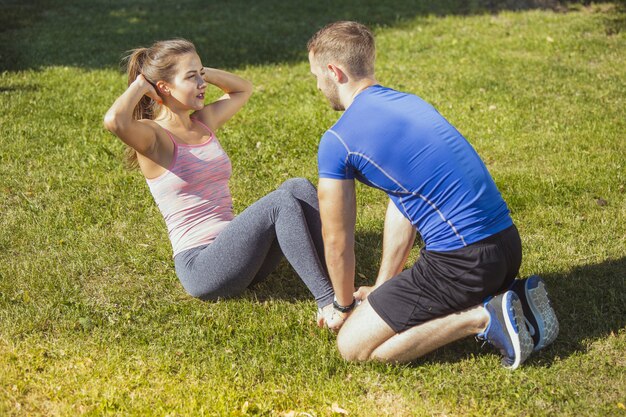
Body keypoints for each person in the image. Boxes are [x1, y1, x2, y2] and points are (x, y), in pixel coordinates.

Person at [308, 21, 559, 369]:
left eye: (317, 76)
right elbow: (403, 201)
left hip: (463, 263)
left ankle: (484, 317)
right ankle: (513, 299)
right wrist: (382, 290)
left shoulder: (337, 140)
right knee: (383, 321)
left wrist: (343, 305)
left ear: (334, 71)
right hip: (505, 246)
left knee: (354, 347)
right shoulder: (410, 104)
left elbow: (337, 239)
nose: (318, 86)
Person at [103, 39, 334, 315]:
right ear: (163, 88)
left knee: (297, 186)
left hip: (240, 259)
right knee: (281, 203)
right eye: (191, 77)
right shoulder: (154, 137)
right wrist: (142, 84)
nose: (202, 83)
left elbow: (242, 89)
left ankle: (340, 277)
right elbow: (114, 121)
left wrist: (200, 72)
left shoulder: (202, 121)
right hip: (202, 267)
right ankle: (329, 302)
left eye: (201, 75)